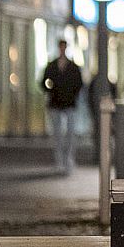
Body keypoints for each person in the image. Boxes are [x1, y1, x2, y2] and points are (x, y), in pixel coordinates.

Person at [39, 39, 84, 174]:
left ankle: (68, 159)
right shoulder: (52, 66)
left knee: (70, 133)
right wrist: (51, 90)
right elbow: (43, 83)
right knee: (57, 134)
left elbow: (79, 84)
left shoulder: (72, 67)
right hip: (56, 103)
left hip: (69, 103)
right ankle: (59, 160)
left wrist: (72, 94)